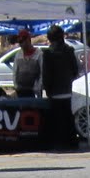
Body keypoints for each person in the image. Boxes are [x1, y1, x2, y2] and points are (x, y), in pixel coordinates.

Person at [38, 23, 79, 151]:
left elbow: (46, 74)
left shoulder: (48, 53)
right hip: (67, 88)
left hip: (54, 91)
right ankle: (71, 142)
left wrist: (47, 88)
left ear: (50, 38)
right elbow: (75, 70)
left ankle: (57, 142)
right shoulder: (69, 50)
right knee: (67, 116)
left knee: (55, 118)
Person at [12, 29, 42, 98]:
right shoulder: (18, 54)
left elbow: (42, 73)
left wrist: (38, 87)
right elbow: (15, 71)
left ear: (28, 40)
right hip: (21, 90)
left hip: (34, 90)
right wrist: (16, 86)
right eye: (20, 42)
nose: (21, 44)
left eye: (22, 41)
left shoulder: (39, 54)